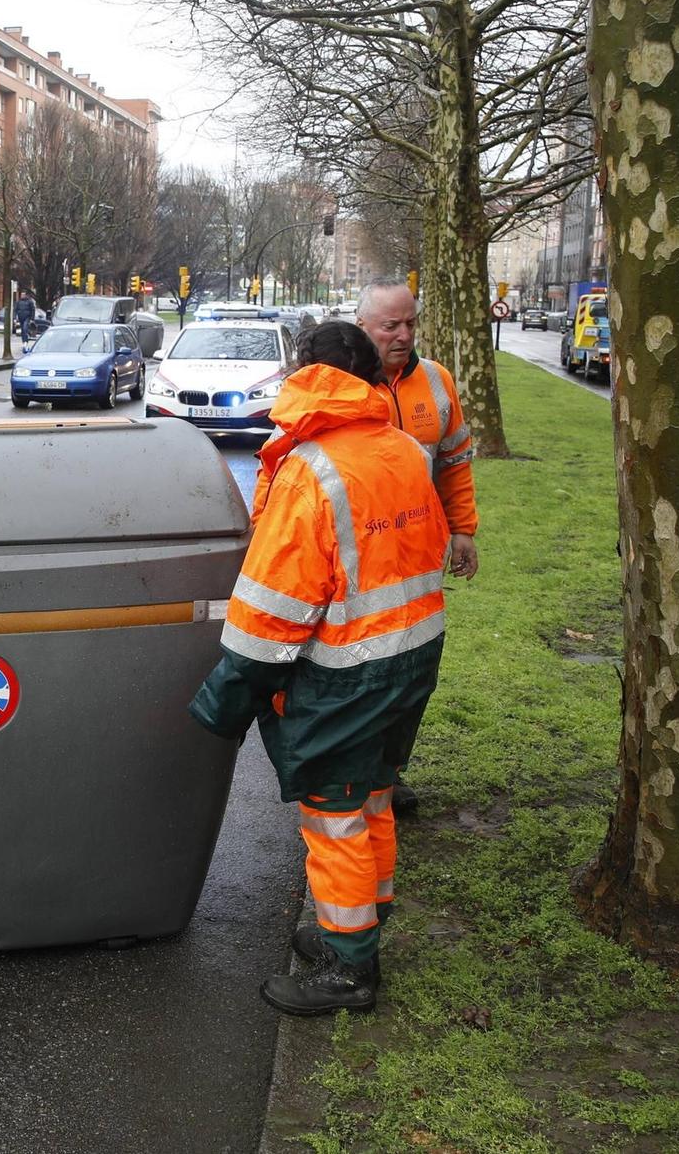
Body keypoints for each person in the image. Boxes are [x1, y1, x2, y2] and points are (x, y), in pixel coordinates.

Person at [188, 322, 449, 1016]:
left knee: (334, 814)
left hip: (343, 672)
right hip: (411, 656)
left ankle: (348, 968)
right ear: (367, 378)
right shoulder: (401, 449)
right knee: (374, 794)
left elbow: (272, 610)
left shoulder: (310, 469)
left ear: (304, 372)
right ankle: (360, 923)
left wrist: (222, 701)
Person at [354, 278, 478, 818]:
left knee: (413, 674)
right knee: (360, 672)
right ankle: (356, 768)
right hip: (362, 561)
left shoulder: (436, 381)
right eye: (390, 326)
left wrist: (464, 529)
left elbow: (454, 462)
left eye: (410, 323)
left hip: (420, 560)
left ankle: (390, 771)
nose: (403, 335)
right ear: (363, 328)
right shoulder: (343, 384)